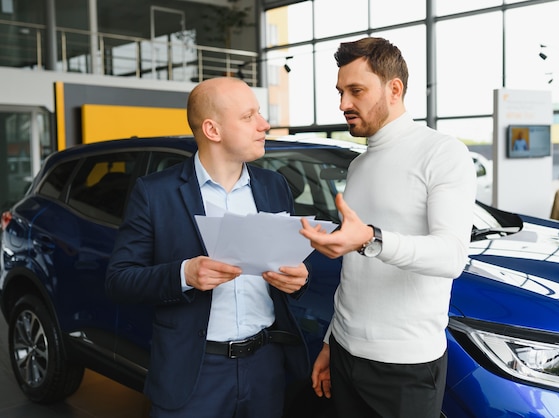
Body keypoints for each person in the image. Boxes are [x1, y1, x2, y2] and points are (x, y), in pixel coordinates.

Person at [106, 77, 310, 418]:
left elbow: (290, 260)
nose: (264, 124)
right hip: (193, 371)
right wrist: (185, 273)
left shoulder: (275, 186)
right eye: (249, 117)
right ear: (212, 130)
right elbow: (119, 280)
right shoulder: (155, 193)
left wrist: (298, 280)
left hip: (265, 367)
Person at [300, 37, 476, 418]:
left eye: (356, 91)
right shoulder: (359, 165)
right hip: (345, 355)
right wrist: (332, 341)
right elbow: (355, 272)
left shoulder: (442, 152)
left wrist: (371, 239)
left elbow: (451, 256)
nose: (344, 104)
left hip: (405, 368)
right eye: (341, 92)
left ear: (394, 89)